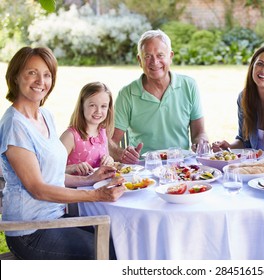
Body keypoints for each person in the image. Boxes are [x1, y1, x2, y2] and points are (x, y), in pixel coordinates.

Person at [0, 46, 126, 260]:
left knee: (124, 242)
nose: (41, 81)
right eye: (32, 73)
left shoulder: (45, 115)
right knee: (114, 254)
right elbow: (38, 188)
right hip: (31, 231)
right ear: (15, 76)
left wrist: (89, 179)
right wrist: (95, 194)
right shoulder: (15, 125)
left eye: (47, 74)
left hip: (55, 219)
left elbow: (51, 176)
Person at [110, 29, 208, 164]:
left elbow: (199, 133)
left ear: (170, 56)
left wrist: (201, 142)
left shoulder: (189, 86)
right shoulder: (127, 94)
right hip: (143, 171)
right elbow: (109, 142)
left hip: (181, 166)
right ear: (139, 60)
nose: (154, 62)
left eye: (160, 55)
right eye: (147, 56)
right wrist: (122, 154)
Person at [60, 82, 115, 176]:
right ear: (82, 106)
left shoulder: (102, 132)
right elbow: (51, 170)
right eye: (92, 105)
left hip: (99, 188)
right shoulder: (70, 136)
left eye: (103, 106)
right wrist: (72, 168)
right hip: (75, 189)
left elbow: (105, 158)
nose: (98, 111)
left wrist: (110, 160)